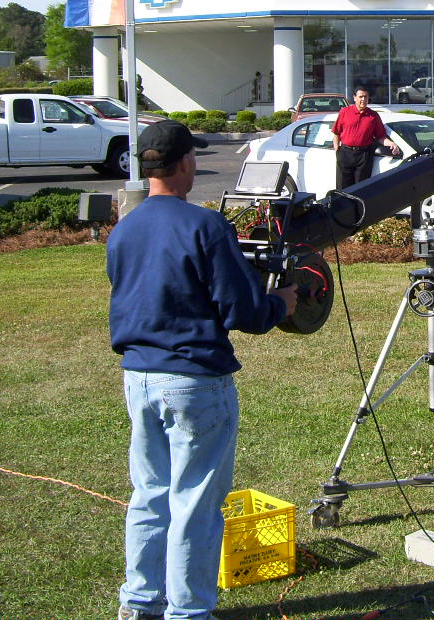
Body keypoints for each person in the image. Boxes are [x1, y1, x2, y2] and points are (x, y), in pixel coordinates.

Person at [106, 120, 297, 620]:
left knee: (150, 495)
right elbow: (244, 312)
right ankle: (188, 612)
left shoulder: (124, 229)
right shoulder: (206, 226)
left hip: (139, 377)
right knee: (194, 502)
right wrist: (282, 302)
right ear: (186, 163)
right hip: (193, 381)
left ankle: (139, 603)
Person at [331, 87, 401, 188]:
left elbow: (381, 137)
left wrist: (391, 143)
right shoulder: (345, 112)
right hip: (345, 154)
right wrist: (337, 150)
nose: (363, 99)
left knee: (361, 188)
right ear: (354, 98)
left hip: (363, 156)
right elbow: (336, 133)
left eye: (366, 97)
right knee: (342, 189)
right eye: (361, 97)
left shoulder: (373, 116)